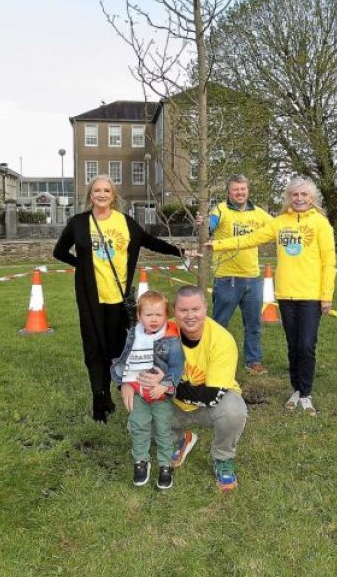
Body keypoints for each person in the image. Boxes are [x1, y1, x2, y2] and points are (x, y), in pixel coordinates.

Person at [53, 175, 186, 423]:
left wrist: (181, 251)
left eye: (106, 190)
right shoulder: (79, 223)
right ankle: (99, 400)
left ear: (113, 196)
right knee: (94, 349)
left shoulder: (125, 223)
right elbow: (59, 252)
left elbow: (150, 242)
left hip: (119, 300)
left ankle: (119, 391)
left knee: (118, 349)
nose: (101, 194)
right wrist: (82, 266)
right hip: (91, 300)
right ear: (90, 195)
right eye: (97, 190)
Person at [207, 176, 336, 416]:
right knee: (293, 344)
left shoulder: (321, 224)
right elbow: (250, 239)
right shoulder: (280, 222)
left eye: (304, 195)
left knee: (307, 345)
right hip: (286, 294)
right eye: (295, 195)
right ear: (289, 197)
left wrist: (326, 295)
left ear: (312, 198)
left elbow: (329, 262)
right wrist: (216, 245)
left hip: (311, 295)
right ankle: (296, 389)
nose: (299, 199)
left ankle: (306, 394)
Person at [137, 286, 248, 491]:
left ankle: (222, 459)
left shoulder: (222, 340)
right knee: (140, 408)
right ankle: (179, 441)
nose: (190, 316)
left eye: (195, 309)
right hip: (174, 403)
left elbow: (211, 396)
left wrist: (167, 385)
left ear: (205, 308)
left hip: (211, 404)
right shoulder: (161, 333)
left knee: (234, 411)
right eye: (183, 310)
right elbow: (143, 372)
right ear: (174, 311)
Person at [111, 291, 184, 489]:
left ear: (166, 315)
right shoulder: (134, 334)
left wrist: (164, 385)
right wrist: (125, 382)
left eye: (159, 315)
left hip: (160, 394)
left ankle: (165, 464)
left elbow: (178, 367)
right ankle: (141, 461)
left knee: (163, 428)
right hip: (138, 391)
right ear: (139, 316)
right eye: (148, 315)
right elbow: (124, 359)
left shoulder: (170, 339)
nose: (153, 320)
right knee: (138, 424)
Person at [202, 174, 273, 375]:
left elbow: (277, 227)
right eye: (235, 189)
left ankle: (253, 361)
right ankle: (212, 359)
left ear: (247, 190)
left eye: (243, 189)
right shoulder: (220, 210)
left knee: (253, 324)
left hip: (253, 278)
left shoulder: (259, 213)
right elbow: (208, 228)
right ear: (229, 192)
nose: (240, 193)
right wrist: (203, 223)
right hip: (227, 278)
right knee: (219, 323)